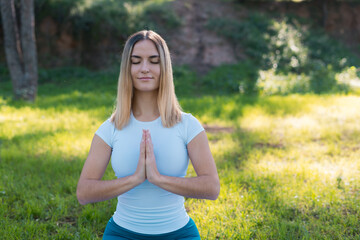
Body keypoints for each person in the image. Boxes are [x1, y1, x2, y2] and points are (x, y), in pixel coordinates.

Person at [76, 30, 220, 240]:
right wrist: (135, 179)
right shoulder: (110, 128)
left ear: (164, 67)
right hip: (122, 233)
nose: (144, 68)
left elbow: (212, 188)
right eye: (136, 61)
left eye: (154, 61)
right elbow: (84, 192)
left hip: (178, 234)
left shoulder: (188, 125)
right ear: (127, 68)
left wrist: (157, 178)